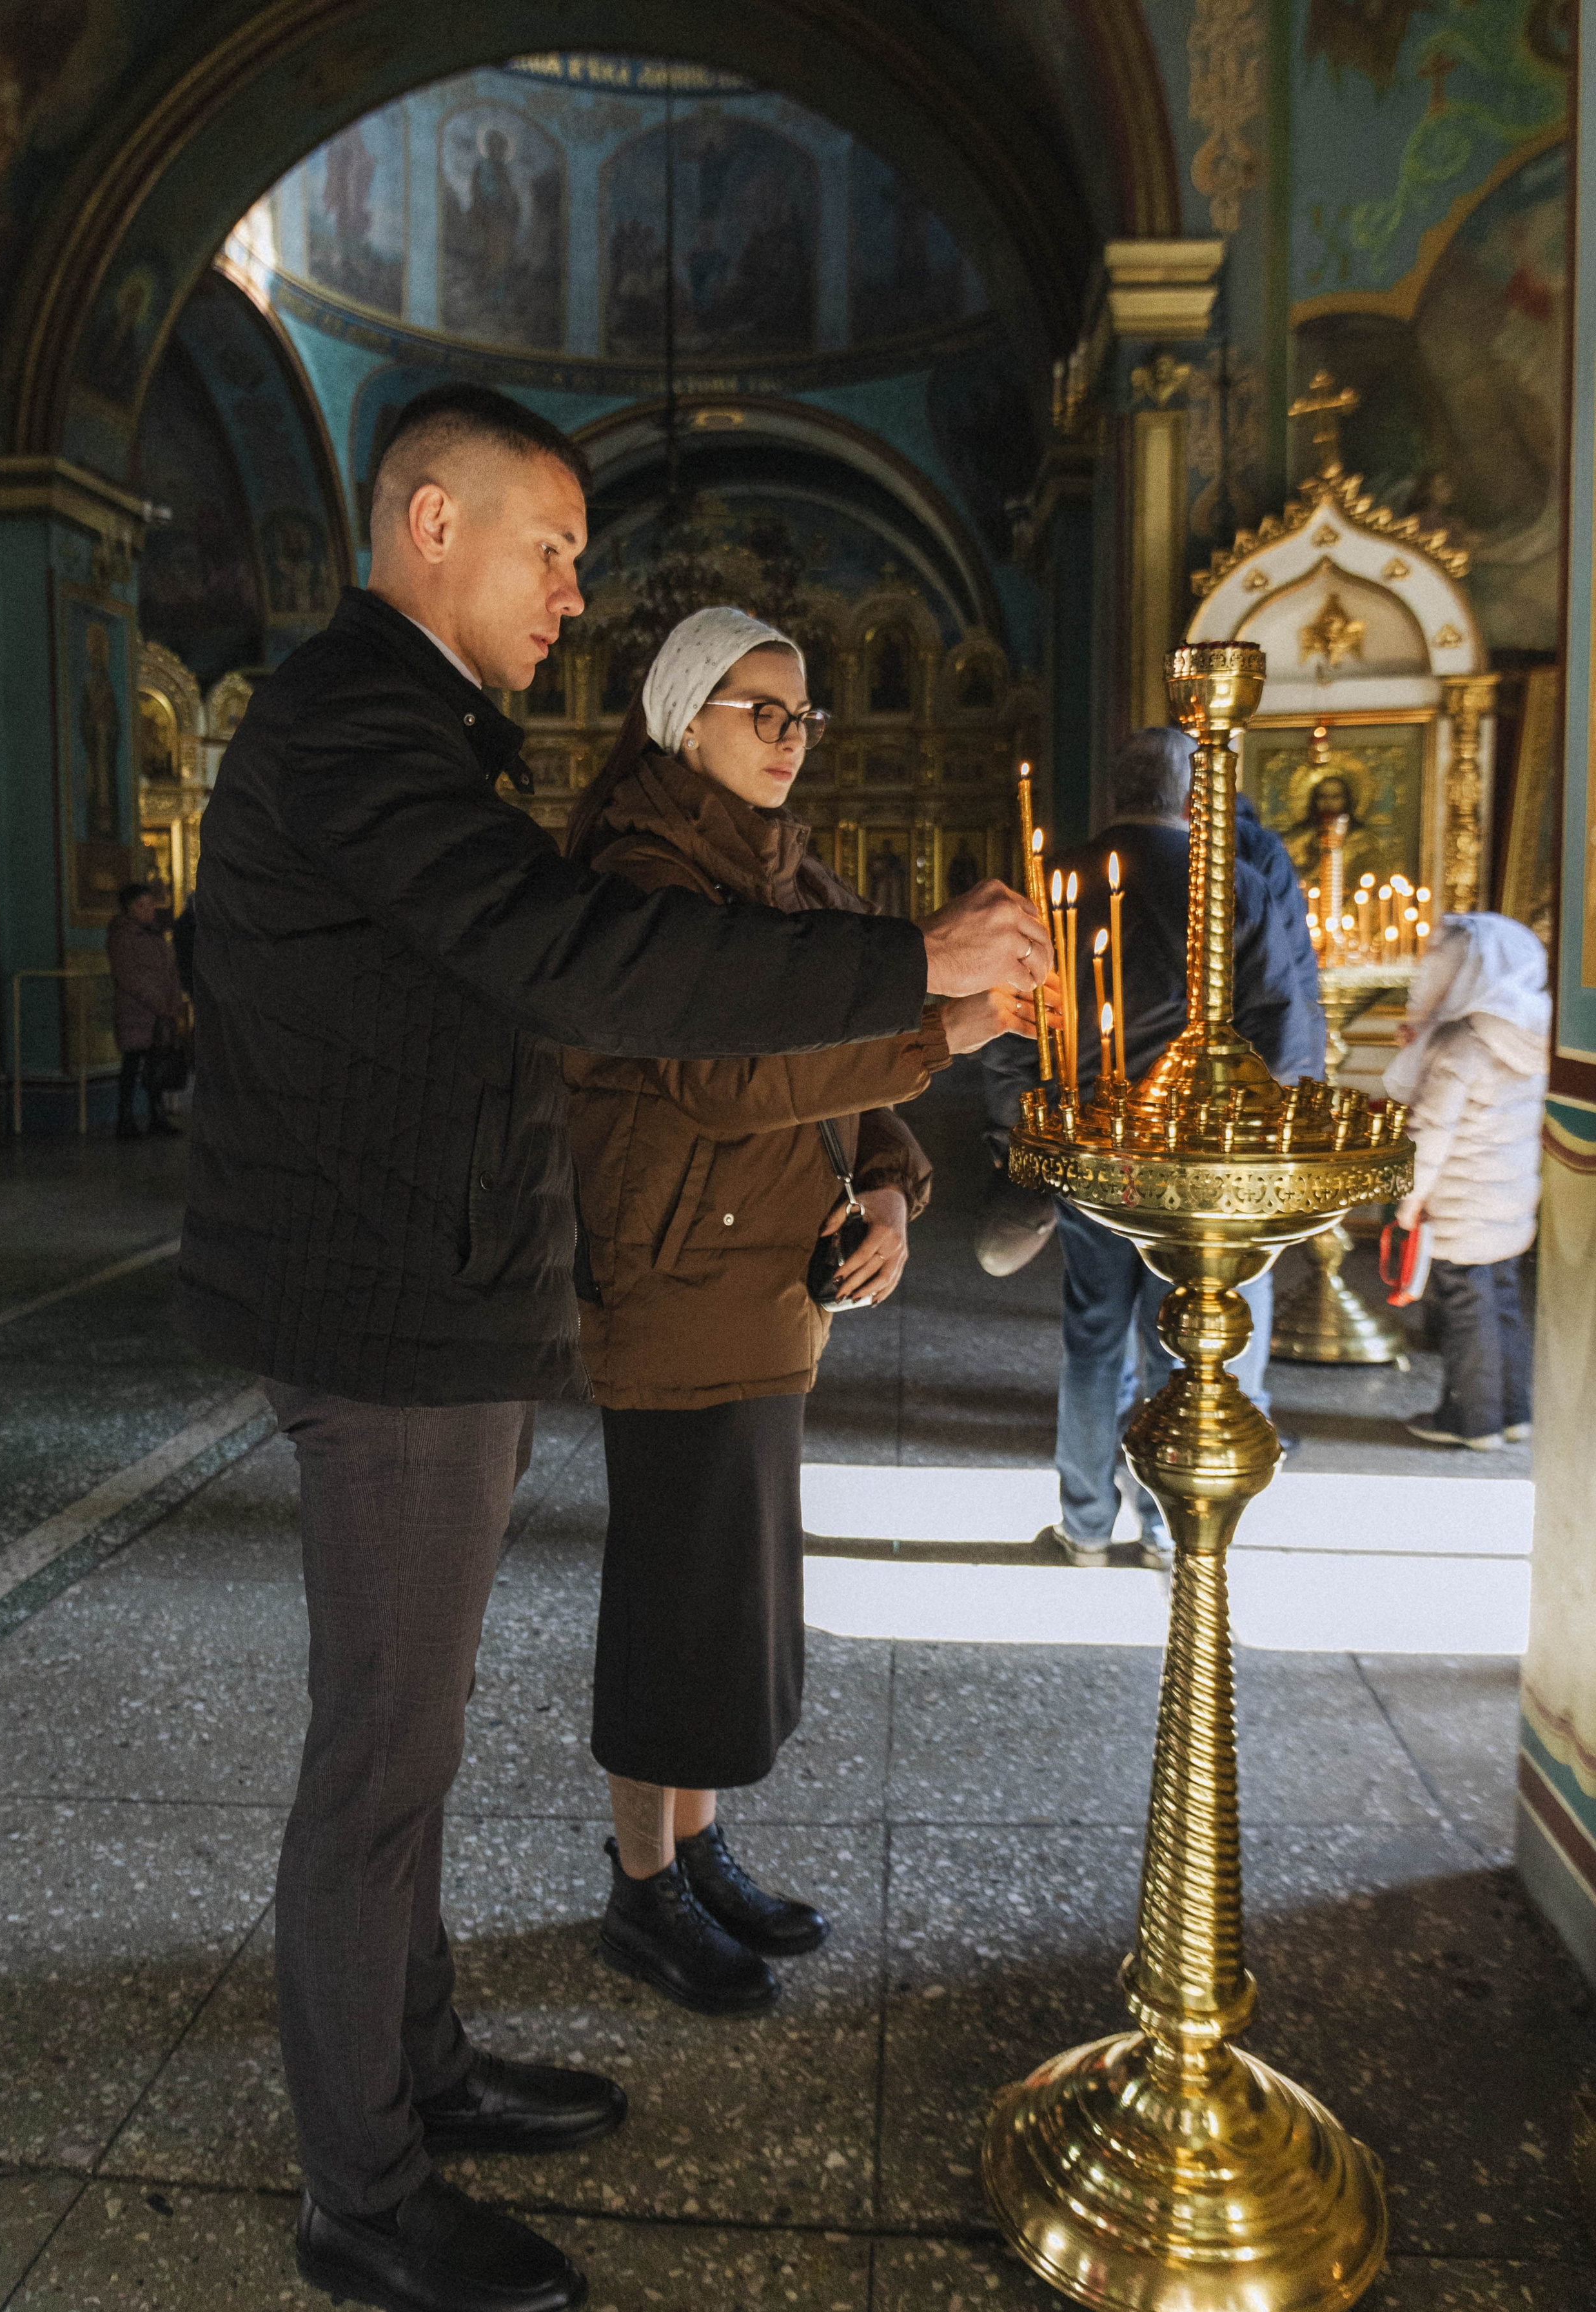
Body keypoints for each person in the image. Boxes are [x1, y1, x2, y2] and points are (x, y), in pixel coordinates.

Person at [175, 381, 1052, 2312]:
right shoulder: (353, 733)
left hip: (436, 1293)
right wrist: (911, 967)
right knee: (376, 1771)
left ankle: (421, 2072)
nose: (576, 588)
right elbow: (590, 970)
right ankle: (367, 2201)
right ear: (428, 528)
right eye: (550, 547)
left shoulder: (403, 733)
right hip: (391, 1312)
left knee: (408, 1745)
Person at [562, 608, 1040, 2016]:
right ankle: (637, 1892)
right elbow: (725, 1075)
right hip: (672, 1286)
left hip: (770, 1283)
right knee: (674, 1600)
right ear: (681, 717)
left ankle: (699, 1854)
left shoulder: (787, 868)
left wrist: (891, 1188)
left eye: (801, 715)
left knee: (732, 1602)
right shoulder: (640, 874)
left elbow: (845, 1071)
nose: (786, 738)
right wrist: (948, 1020)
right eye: (756, 709)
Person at [986, 726, 1317, 1564]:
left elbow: (1009, 1034)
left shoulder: (1059, 882)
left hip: (1094, 1153)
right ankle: (1177, 1525)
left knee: (1097, 1332)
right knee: (1204, 1333)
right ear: (1193, 800)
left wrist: (1025, 1143)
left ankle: (1088, 1522)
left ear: (1114, 796)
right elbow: (1284, 1039)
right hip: (1206, 1164)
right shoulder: (1233, 886)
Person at [1384, 913, 1549, 1450]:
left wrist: (1410, 1201)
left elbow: (1432, 1130)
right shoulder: (1528, 1031)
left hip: (1461, 1200)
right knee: (1501, 1303)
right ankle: (1512, 1412)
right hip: (1509, 1196)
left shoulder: (1461, 1042)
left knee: (1464, 1310)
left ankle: (1472, 1420)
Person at [106, 882, 181, 1140]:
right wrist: (159, 1003)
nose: (149, 911)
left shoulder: (155, 934)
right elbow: (129, 976)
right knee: (132, 1064)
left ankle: (156, 1116)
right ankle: (125, 1118)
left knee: (155, 1064)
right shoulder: (122, 935)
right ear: (129, 909)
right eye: (142, 906)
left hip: (158, 1014)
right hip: (135, 1012)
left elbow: (169, 971)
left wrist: (173, 1001)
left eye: (151, 905)